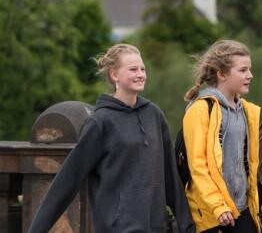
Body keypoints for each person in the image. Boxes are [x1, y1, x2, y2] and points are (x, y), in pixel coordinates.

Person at [28, 44, 195, 233]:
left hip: (156, 227)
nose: (141, 74)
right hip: (117, 228)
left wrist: (187, 225)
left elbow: (170, 176)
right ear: (114, 74)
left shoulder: (154, 115)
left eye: (142, 69)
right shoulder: (100, 122)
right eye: (133, 69)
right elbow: (68, 180)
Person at [182, 40, 261, 233]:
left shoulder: (247, 111)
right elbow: (197, 166)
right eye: (242, 70)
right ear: (222, 74)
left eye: (249, 69)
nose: (249, 75)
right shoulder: (201, 109)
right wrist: (218, 205)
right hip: (214, 214)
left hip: (242, 210)